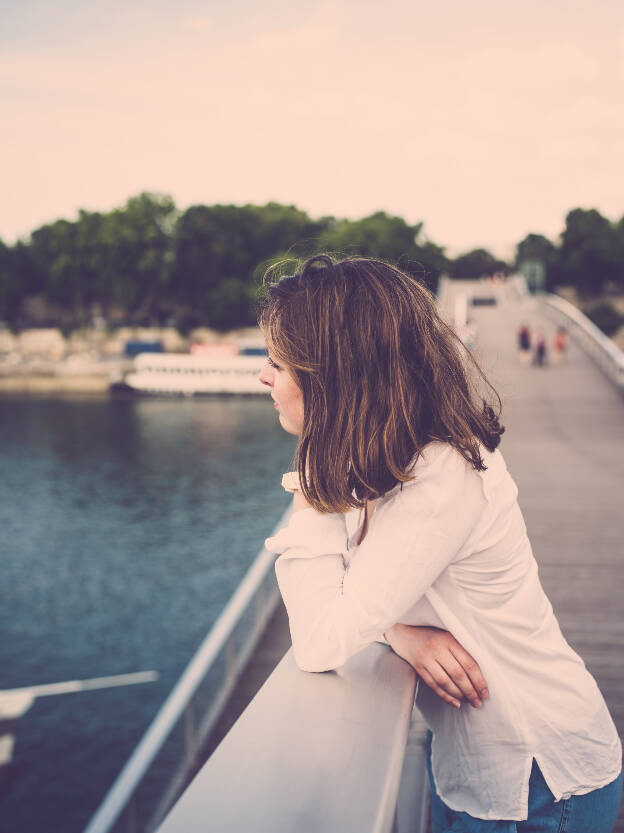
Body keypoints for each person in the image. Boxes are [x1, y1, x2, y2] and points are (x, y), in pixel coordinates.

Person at [257, 254, 622, 832]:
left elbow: (321, 640)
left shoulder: (439, 473)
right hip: (472, 764)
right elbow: (367, 596)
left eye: (277, 363)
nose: (264, 377)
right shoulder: (388, 458)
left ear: (332, 375)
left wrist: (308, 479)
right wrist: (401, 633)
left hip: (537, 778)